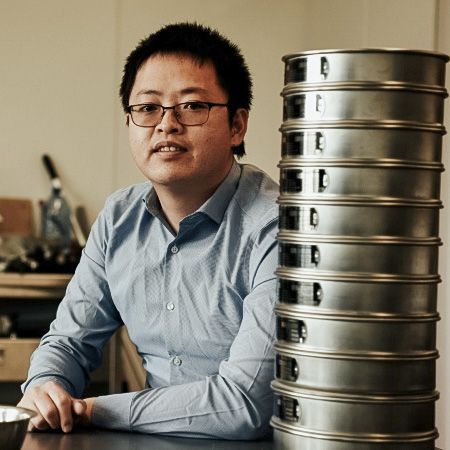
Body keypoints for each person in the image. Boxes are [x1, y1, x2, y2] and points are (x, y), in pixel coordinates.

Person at [18, 22, 278, 439]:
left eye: (192, 106)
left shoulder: (276, 227)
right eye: (148, 107)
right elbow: (68, 342)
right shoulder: (119, 217)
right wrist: (45, 389)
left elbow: (246, 402)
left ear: (237, 126)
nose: (166, 124)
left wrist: (90, 409)